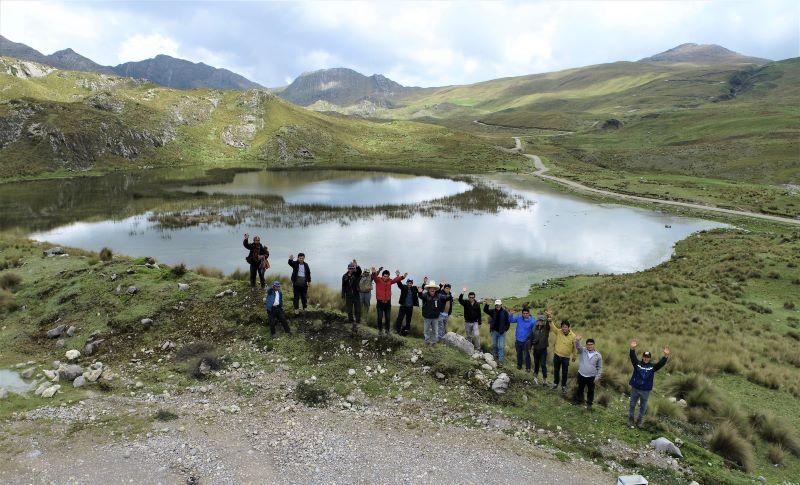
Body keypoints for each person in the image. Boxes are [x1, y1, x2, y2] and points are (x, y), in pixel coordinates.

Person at [628, 339, 670, 428]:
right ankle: (630, 420)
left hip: (645, 391)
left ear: (649, 358)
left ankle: (639, 421)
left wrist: (665, 356)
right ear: (642, 357)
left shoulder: (652, 367)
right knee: (632, 404)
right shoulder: (637, 364)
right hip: (635, 388)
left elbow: (660, 364)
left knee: (643, 407)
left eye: (647, 357)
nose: (646, 358)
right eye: (644, 357)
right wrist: (632, 348)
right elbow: (632, 357)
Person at [371, 267, 405, 335]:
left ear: (388, 276)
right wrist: (374, 273)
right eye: (384, 276)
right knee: (380, 317)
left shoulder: (390, 281)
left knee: (388, 317)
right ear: (382, 276)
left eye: (387, 276)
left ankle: (387, 330)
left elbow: (395, 280)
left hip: (388, 303)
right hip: (380, 303)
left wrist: (402, 277)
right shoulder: (378, 280)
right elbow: (374, 277)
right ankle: (380, 330)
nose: (385, 278)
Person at [573, 335, 603, 410]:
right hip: (581, 374)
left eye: (591, 344)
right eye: (588, 344)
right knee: (580, 389)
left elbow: (599, 367)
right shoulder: (583, 350)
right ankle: (579, 401)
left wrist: (597, 377)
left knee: (591, 391)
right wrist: (577, 341)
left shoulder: (598, 355)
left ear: (594, 345)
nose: (589, 346)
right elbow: (578, 347)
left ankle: (589, 404)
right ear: (586, 345)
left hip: (591, 377)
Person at [550, 315, 577, 395]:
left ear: (569, 327)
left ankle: (564, 386)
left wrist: (574, 356)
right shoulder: (559, 332)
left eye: (565, 327)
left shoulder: (573, 336)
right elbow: (553, 328)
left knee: (564, 372)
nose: (564, 329)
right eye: (563, 327)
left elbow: (575, 347)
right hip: (557, 355)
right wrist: (550, 320)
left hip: (566, 357)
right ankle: (555, 383)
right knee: (556, 370)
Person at [509, 307, 536, 373]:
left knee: (527, 355)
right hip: (518, 340)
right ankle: (519, 366)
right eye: (524, 313)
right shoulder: (519, 318)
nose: (525, 314)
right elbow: (511, 320)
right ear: (522, 314)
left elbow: (534, 332)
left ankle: (528, 368)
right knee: (519, 354)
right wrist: (511, 314)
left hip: (526, 341)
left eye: (527, 313)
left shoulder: (533, 321)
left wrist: (531, 341)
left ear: (529, 313)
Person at [483, 299, 510, 364]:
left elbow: (507, 322)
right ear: (495, 305)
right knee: (495, 345)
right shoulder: (493, 311)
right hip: (494, 331)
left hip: (502, 332)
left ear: (501, 305)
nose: (497, 306)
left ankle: (500, 360)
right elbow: (485, 310)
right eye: (496, 305)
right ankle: (495, 357)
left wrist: (505, 330)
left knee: (501, 346)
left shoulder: (505, 312)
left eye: (499, 305)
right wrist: (487, 304)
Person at [419, 280, 443, 344]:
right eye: (431, 288)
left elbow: (444, 296)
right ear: (428, 289)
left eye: (434, 288)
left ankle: (434, 342)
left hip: (435, 317)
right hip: (427, 316)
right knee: (426, 330)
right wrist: (419, 292)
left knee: (435, 330)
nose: (432, 289)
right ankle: (427, 341)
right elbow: (421, 296)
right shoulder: (425, 295)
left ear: (435, 290)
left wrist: (451, 296)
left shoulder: (437, 295)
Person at [341, 260, 362, 329]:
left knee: (357, 309)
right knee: (349, 309)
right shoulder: (344, 276)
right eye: (350, 268)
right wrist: (343, 295)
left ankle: (358, 321)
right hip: (348, 295)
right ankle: (350, 320)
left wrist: (357, 265)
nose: (351, 270)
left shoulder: (356, 274)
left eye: (352, 268)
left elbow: (359, 271)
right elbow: (343, 286)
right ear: (348, 268)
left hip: (356, 294)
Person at [530, 313, 550, 385]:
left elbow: (548, 324)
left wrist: (548, 316)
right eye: (539, 320)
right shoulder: (534, 328)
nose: (540, 322)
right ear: (537, 321)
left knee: (543, 364)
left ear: (544, 321)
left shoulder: (546, 329)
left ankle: (545, 380)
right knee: (536, 364)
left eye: (542, 321)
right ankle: (535, 378)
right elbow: (531, 337)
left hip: (543, 350)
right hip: (535, 349)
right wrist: (530, 347)